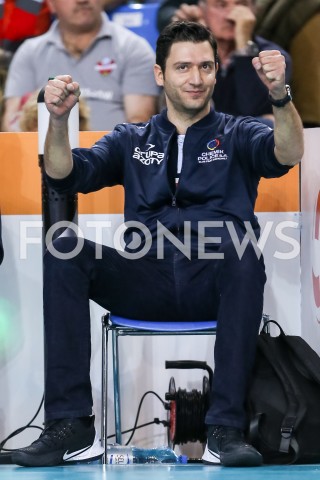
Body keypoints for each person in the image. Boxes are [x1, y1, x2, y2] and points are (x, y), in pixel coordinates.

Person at [11, 20, 303, 468]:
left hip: (215, 277)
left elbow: (287, 154)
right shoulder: (132, 138)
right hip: (145, 278)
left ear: (216, 71)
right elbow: (64, 173)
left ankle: (222, 429)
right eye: (183, 67)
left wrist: (280, 96)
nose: (196, 77)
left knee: (241, 249)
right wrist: (58, 119)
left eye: (206, 66)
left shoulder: (240, 132)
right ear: (160, 75)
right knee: (64, 245)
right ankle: (71, 426)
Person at [2, 0, 159, 132]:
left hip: (112, 161)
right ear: (50, 4)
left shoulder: (134, 48)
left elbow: (139, 124)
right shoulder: (29, 52)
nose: (82, 0)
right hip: (42, 160)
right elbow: (12, 123)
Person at [157, 0, 291, 125]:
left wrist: (243, 45)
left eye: (241, 5)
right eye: (221, 5)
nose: (232, 15)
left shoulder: (271, 57)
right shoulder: (184, 55)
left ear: (254, 10)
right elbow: (178, 118)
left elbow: (256, 112)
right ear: (202, 10)